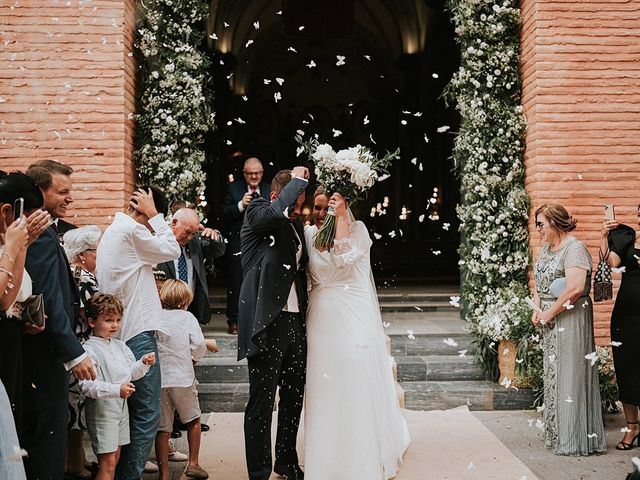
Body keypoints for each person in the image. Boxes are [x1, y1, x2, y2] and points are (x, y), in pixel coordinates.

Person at [303, 192, 410, 478]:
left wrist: (340, 218)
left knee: (353, 378)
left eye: (329, 207)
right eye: (317, 207)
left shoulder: (358, 231)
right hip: (319, 320)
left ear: (343, 207)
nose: (321, 213)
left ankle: (359, 454)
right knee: (323, 386)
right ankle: (324, 456)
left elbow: (342, 259)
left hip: (351, 316)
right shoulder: (306, 233)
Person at [96, 186, 180, 479]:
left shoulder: (116, 230)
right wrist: (156, 215)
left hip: (123, 335)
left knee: (130, 416)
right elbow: (172, 250)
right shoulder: (133, 232)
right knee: (146, 414)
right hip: (136, 334)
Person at [24, 160, 97, 479]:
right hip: (44, 354)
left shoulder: (48, 230)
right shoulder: (39, 235)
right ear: (40, 192)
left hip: (48, 351)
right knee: (46, 439)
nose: (70, 198)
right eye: (62, 192)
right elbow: (47, 297)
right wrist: (73, 353)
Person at [238, 167, 309, 480]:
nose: (298, 209)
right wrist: (299, 180)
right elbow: (276, 212)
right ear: (277, 195)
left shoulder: (294, 226)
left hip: (295, 322)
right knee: (262, 400)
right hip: (267, 322)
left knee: (293, 396)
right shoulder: (257, 212)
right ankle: (258, 470)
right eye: (295, 201)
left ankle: (286, 460)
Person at [532, 203, 605, 456]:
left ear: (555, 222)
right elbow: (539, 279)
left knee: (570, 371)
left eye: (540, 224)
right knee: (554, 373)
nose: (538, 229)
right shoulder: (546, 248)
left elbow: (575, 288)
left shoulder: (575, 249)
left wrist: (549, 313)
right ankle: (557, 433)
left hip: (571, 318)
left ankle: (572, 438)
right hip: (550, 318)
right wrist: (537, 308)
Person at [79, 293, 156, 480]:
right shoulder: (89, 348)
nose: (114, 325)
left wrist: (143, 363)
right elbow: (87, 386)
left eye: (118, 320)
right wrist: (116, 390)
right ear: (91, 322)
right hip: (102, 410)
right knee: (108, 462)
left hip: (121, 408)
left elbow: (129, 373)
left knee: (116, 456)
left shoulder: (120, 346)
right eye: (108, 320)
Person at [0, 171, 50, 436]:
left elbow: (15, 292)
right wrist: (15, 248)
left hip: (13, 337)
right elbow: (4, 298)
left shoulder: (11, 243)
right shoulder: (7, 245)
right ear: (7, 210)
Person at [155, 279, 208, 480]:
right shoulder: (187, 318)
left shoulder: (156, 317)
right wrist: (193, 359)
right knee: (193, 418)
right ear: (185, 301)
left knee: (163, 428)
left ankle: (164, 474)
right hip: (183, 377)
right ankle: (193, 463)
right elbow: (199, 344)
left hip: (161, 379)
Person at [63, 225, 103, 479]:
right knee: (75, 408)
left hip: (76, 347)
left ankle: (79, 458)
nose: (97, 257)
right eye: (95, 252)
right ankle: (74, 464)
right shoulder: (83, 280)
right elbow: (97, 311)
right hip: (79, 349)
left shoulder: (75, 275)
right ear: (81, 256)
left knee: (76, 406)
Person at [601, 205, 640, 450]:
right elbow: (611, 264)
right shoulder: (628, 237)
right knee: (627, 369)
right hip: (626, 315)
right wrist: (603, 236)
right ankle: (632, 427)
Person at [222, 157, 270, 334]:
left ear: (262, 173)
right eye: (250, 174)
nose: (254, 177)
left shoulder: (268, 189)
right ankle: (234, 320)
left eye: (257, 173)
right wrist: (241, 205)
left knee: (262, 279)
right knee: (236, 280)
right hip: (239, 241)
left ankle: (260, 319)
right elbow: (224, 214)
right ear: (244, 174)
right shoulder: (234, 189)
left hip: (263, 241)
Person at [157, 207, 226, 326]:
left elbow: (217, 251)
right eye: (187, 232)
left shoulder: (195, 242)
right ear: (174, 223)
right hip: (164, 307)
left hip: (191, 306)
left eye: (193, 233)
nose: (189, 237)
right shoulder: (158, 240)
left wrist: (215, 236)